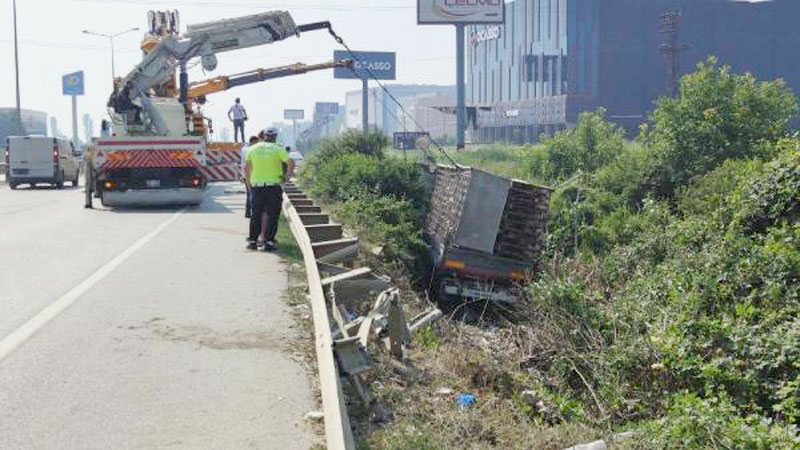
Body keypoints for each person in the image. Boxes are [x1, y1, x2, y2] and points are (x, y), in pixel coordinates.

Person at [244, 127, 294, 251]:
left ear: (264, 136)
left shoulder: (252, 149)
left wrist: (249, 184)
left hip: (257, 186)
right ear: (275, 137)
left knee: (255, 214)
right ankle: (269, 242)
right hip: (273, 186)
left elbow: (246, 169)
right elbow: (291, 162)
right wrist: (287, 177)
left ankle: (253, 241)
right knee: (272, 215)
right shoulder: (278, 149)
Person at [242, 136, 259, 219]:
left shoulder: (244, 149)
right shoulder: (250, 150)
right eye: (256, 142)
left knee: (249, 194)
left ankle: (248, 212)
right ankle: (252, 212)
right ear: (253, 142)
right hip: (251, 175)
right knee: (251, 194)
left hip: (246, 175)